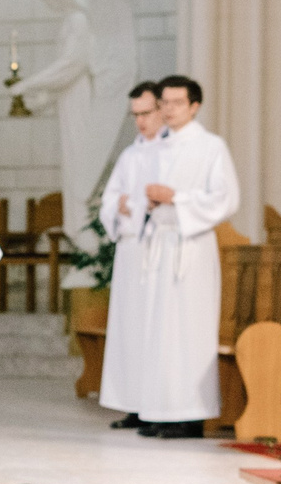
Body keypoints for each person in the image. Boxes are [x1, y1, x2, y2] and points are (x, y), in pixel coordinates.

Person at [124, 76, 241, 438]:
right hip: (159, 244)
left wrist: (178, 199)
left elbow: (227, 198)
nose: (169, 109)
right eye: (165, 103)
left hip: (191, 246)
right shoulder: (155, 148)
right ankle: (162, 409)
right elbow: (142, 195)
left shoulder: (210, 146)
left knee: (189, 331)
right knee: (160, 332)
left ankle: (191, 415)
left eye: (177, 102)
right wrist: (147, 201)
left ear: (194, 106)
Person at [96, 81, 166, 430]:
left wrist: (133, 203)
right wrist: (120, 205)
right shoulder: (129, 155)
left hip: (156, 250)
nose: (140, 121)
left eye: (146, 113)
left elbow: (157, 201)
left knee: (154, 329)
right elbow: (109, 202)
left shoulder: (171, 152)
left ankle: (156, 406)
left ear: (161, 110)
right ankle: (132, 405)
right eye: (135, 114)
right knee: (129, 331)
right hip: (129, 251)